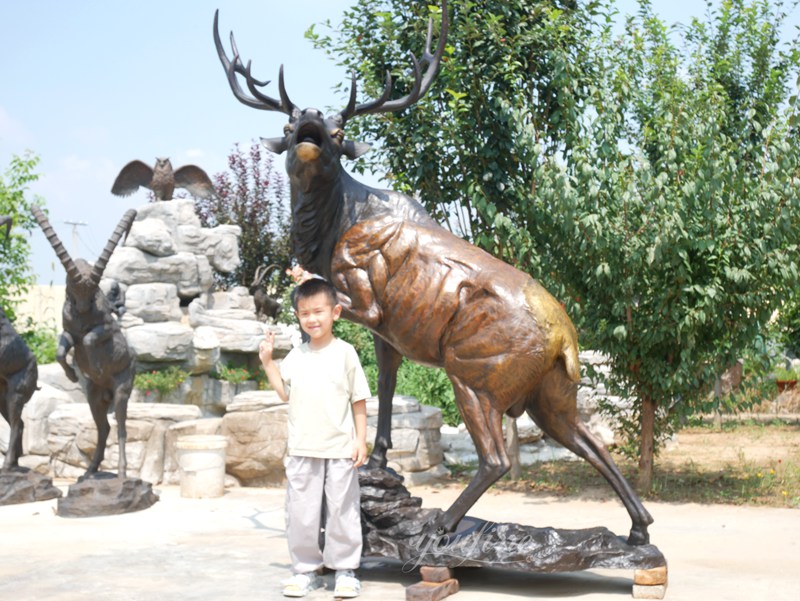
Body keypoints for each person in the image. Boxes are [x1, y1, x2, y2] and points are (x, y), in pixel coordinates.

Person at [259, 277, 371, 598]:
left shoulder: (346, 354)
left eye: (318, 311)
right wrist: (268, 362)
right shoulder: (295, 356)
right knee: (301, 513)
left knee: (342, 510)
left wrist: (360, 440)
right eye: (304, 313)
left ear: (335, 312)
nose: (312, 319)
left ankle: (345, 570)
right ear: (298, 316)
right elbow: (284, 393)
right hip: (302, 448)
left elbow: (358, 400)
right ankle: (305, 570)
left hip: (339, 448)